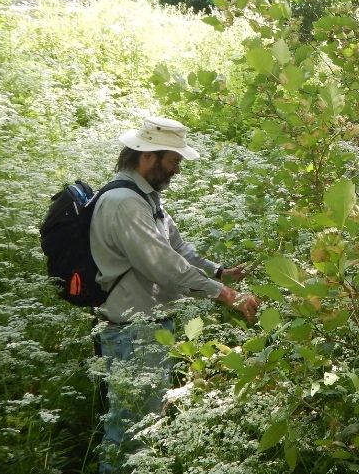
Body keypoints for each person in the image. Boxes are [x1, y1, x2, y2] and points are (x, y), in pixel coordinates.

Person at [90, 116, 260, 473]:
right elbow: (163, 265)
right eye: (174, 160)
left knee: (146, 422)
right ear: (149, 156)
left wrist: (217, 271)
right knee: (130, 430)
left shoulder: (145, 198)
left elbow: (177, 247)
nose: (177, 169)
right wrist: (225, 294)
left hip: (147, 327)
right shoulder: (124, 203)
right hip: (130, 331)